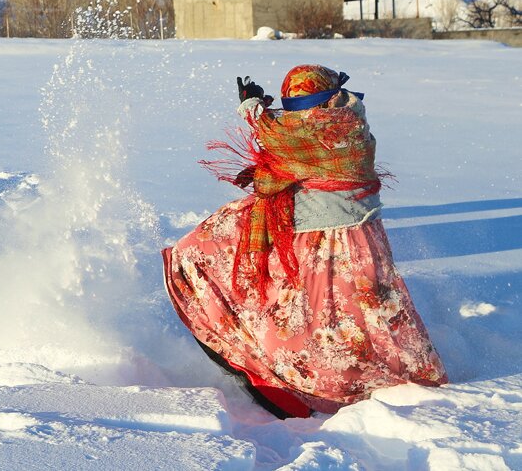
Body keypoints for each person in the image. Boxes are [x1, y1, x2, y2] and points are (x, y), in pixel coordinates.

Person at [162, 64, 447, 418]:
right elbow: (289, 131)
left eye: (299, 105)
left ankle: (309, 385)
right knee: (359, 317)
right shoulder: (346, 116)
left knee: (331, 321)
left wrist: (251, 106)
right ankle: (380, 379)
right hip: (341, 237)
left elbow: (278, 132)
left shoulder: (331, 128)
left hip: (335, 244)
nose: (297, 114)